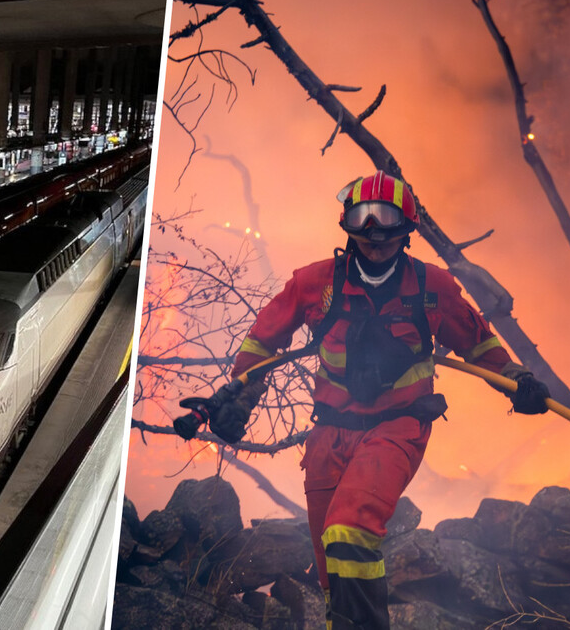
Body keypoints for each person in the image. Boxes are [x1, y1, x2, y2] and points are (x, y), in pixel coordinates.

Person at [211, 171, 550, 630]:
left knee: (350, 529)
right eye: (362, 217)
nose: (373, 232)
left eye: (385, 217)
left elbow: (479, 344)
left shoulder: (434, 288)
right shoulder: (315, 284)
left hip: (398, 428)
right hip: (329, 435)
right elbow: (262, 341)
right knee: (334, 568)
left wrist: (517, 380)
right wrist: (241, 394)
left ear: (406, 228)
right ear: (347, 224)